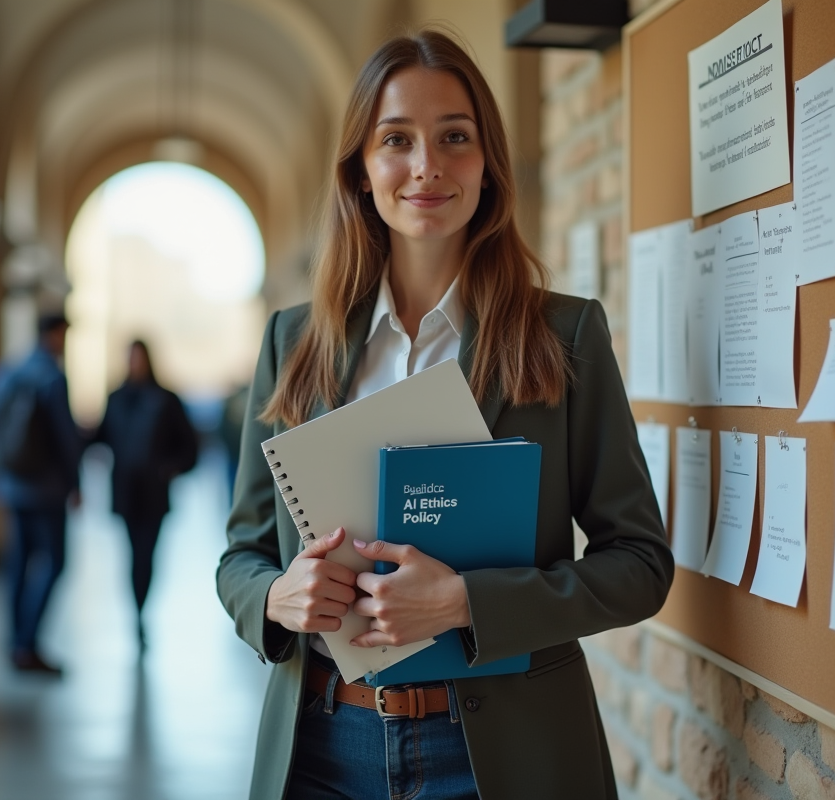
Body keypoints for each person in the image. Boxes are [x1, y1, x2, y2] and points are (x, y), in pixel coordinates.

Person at [216, 28, 674, 800]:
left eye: (455, 137)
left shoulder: (565, 335)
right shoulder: (293, 341)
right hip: (324, 746)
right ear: (361, 170)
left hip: (502, 754)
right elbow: (241, 555)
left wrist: (467, 602)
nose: (427, 165)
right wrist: (273, 598)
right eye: (396, 139)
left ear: (488, 163)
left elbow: (640, 566)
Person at [0, 311, 83, 676]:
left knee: (18, 564)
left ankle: (16, 643)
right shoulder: (52, 378)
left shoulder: (5, 373)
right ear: (55, 335)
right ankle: (27, 645)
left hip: (13, 486)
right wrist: (75, 484)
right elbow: (66, 438)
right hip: (46, 490)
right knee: (54, 562)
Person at [94, 340, 199, 649]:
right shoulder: (116, 398)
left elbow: (190, 448)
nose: (134, 364)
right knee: (132, 555)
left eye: (138, 358)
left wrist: (170, 469)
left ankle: (141, 611)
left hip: (153, 493)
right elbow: (100, 437)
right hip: (126, 492)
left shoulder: (165, 400)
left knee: (146, 556)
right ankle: (136, 614)